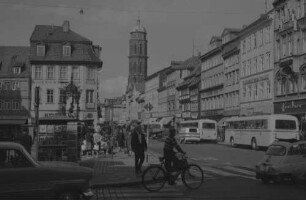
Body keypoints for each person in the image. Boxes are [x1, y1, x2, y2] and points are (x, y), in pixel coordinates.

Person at [163, 121, 185, 185]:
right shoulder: (172, 138)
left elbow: (172, 148)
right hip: (168, 153)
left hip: (167, 152)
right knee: (177, 163)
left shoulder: (168, 137)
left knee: (169, 166)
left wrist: (177, 152)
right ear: (173, 133)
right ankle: (172, 177)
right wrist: (182, 152)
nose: (175, 133)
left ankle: (170, 178)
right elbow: (177, 146)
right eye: (174, 132)